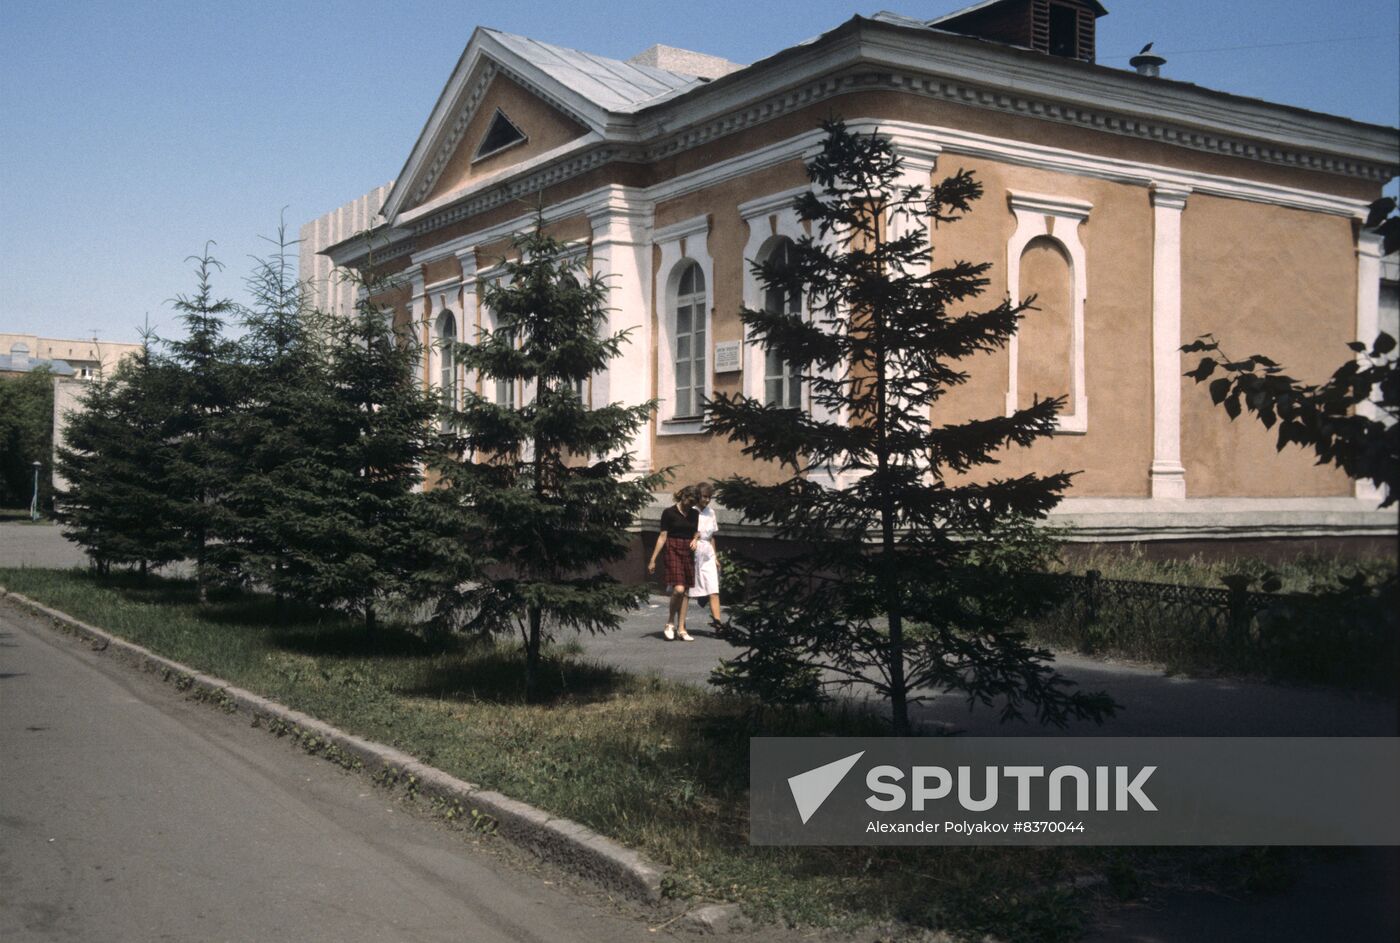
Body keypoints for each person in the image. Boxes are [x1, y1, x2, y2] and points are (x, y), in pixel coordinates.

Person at [647, 485, 698, 641]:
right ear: (682, 496)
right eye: (689, 501)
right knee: (678, 589)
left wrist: (695, 540)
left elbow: (696, 531)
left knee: (686, 591)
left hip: (688, 551)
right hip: (672, 549)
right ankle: (670, 622)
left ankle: (682, 628)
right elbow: (663, 536)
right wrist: (653, 559)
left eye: (693, 503)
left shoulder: (695, 513)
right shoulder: (669, 513)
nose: (690, 505)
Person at [687, 482, 723, 634]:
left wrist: (714, 556)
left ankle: (718, 625)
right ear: (698, 496)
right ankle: (679, 624)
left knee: (713, 589)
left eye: (709, 497)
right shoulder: (691, 511)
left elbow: (712, 537)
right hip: (693, 551)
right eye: (704, 497)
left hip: (707, 551)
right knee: (686, 590)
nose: (707, 500)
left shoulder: (711, 512)